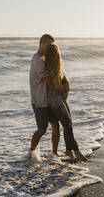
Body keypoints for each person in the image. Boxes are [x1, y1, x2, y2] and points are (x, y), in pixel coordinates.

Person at [44, 43, 88, 162]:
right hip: (54, 100)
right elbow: (55, 85)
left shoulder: (57, 67)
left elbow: (64, 81)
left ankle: (70, 150)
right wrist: (63, 90)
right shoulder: (48, 68)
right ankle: (76, 151)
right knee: (67, 125)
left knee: (68, 124)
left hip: (57, 99)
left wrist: (64, 90)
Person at [29, 34, 60, 162]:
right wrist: (62, 89)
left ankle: (55, 154)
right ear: (40, 43)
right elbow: (50, 79)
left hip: (48, 99)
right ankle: (31, 152)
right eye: (46, 44)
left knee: (56, 126)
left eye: (51, 45)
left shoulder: (44, 59)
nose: (48, 47)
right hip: (39, 101)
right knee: (42, 129)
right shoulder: (37, 60)